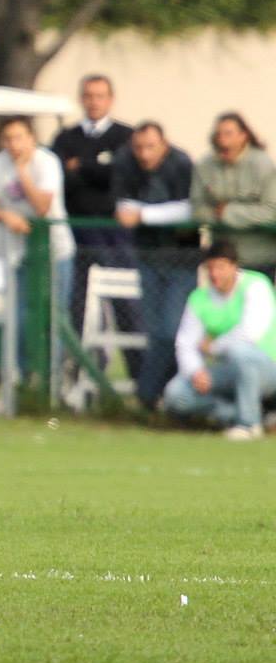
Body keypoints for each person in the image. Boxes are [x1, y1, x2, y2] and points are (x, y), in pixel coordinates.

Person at [50, 75, 139, 376]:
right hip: (77, 235)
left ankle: (140, 378)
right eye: (88, 95)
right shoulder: (66, 137)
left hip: (114, 236)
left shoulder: (125, 136)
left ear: (110, 99)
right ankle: (81, 372)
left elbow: (119, 175)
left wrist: (83, 166)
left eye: (100, 96)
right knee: (78, 305)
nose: (94, 101)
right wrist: (96, 168)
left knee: (126, 305)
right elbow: (62, 178)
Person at [0, 115, 75, 378]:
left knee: (53, 315)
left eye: (19, 137)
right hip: (19, 253)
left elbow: (42, 207)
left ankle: (52, 377)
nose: (14, 144)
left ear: (32, 138)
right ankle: (25, 376)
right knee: (20, 316)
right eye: (8, 139)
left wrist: (22, 173)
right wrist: (5, 215)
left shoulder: (47, 162)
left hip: (54, 251)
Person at [112, 122, 199, 410]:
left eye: (151, 147)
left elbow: (189, 209)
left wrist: (145, 215)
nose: (144, 154)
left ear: (164, 144)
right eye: (139, 147)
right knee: (155, 332)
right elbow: (122, 209)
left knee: (171, 331)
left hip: (182, 261)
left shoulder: (181, 164)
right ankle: (166, 399)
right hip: (147, 259)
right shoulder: (126, 162)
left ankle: (146, 395)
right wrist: (158, 213)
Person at [161, 242, 276, 439]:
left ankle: (248, 424)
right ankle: (243, 415)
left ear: (234, 267)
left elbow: (249, 334)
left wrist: (213, 346)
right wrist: (196, 371)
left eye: (220, 267)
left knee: (240, 353)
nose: (215, 274)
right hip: (227, 369)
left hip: (268, 367)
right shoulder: (199, 297)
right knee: (176, 394)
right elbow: (186, 343)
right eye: (210, 268)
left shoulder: (256, 285)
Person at [192, 113, 276, 279]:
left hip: (259, 259)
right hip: (221, 260)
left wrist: (228, 212)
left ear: (243, 136)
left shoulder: (263, 165)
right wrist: (214, 214)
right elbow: (196, 208)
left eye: (228, 134)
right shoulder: (205, 165)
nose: (222, 140)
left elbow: (271, 211)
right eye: (218, 134)